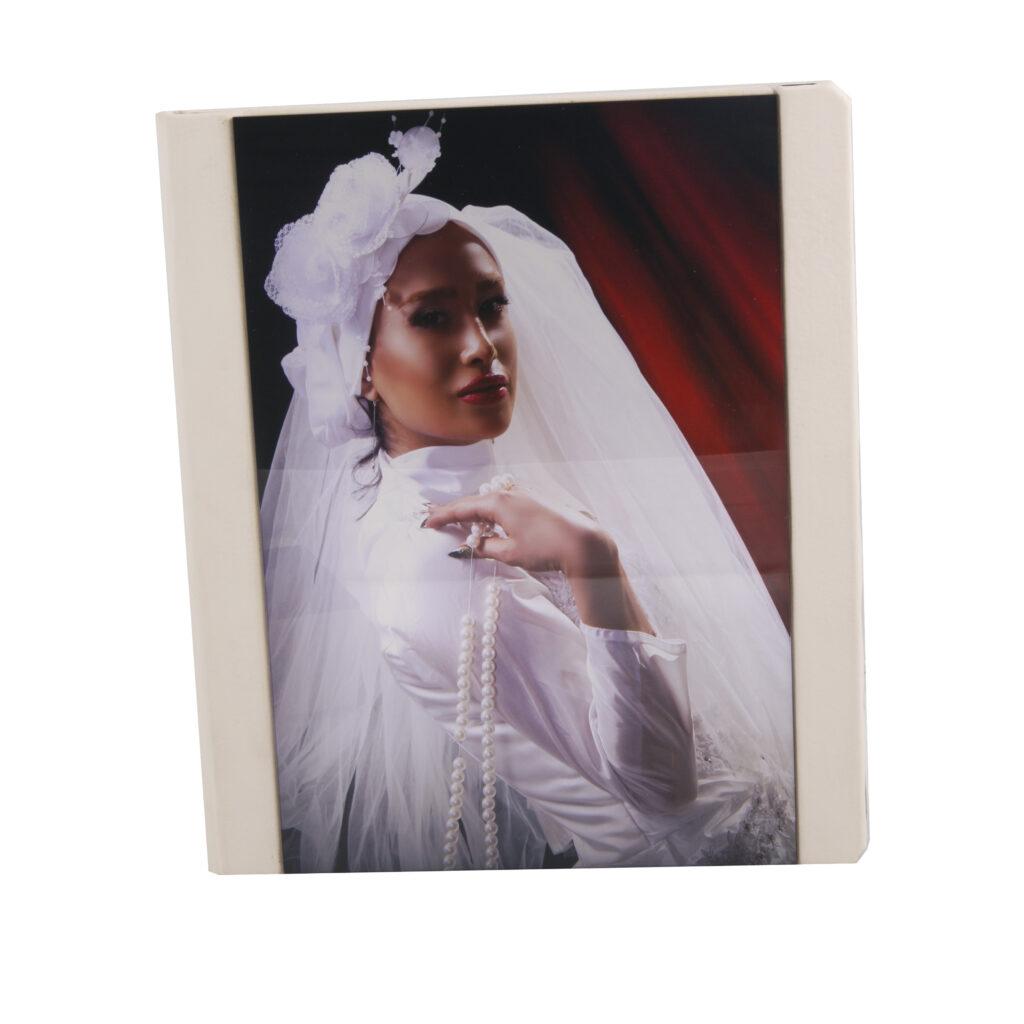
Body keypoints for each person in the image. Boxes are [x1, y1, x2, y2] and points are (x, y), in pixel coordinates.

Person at [261, 124, 796, 872]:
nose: (483, 346)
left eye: (492, 305)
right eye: (433, 317)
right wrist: (592, 559)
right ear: (362, 368)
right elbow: (664, 791)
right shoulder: (443, 560)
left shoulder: (466, 506)